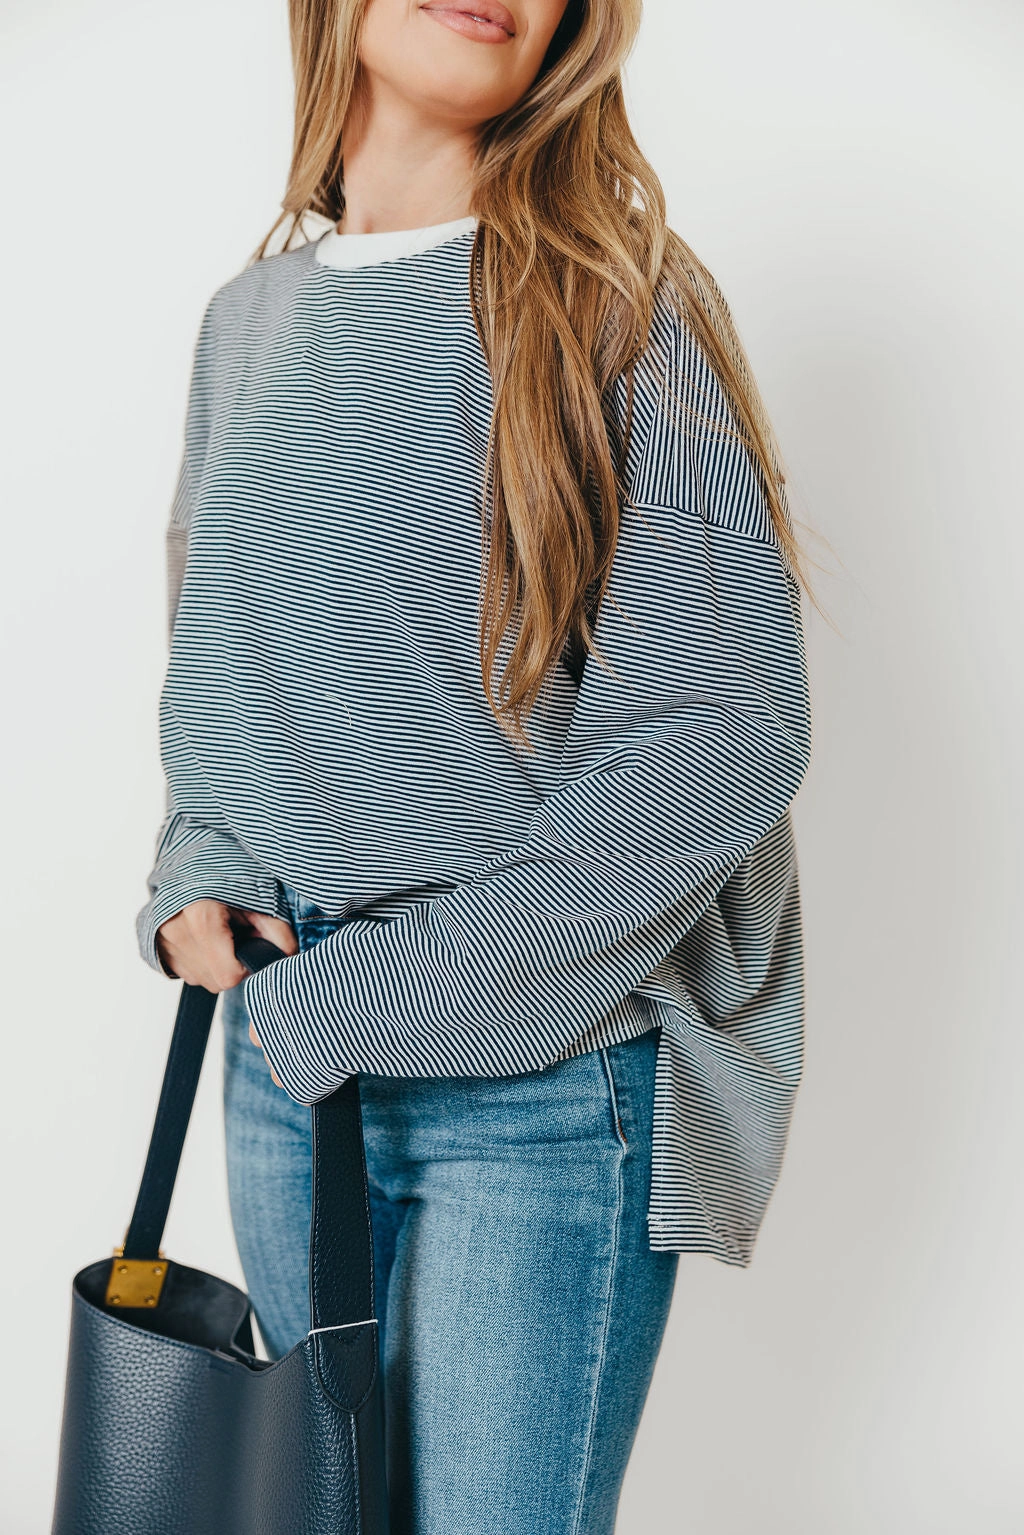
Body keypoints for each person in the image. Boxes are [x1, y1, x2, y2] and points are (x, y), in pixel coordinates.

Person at [137, 0, 816, 1529]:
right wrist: (195, 877)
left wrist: (377, 993)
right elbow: (218, 681)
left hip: (546, 1083)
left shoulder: (616, 296)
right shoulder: (244, 326)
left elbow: (727, 727)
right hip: (292, 1069)